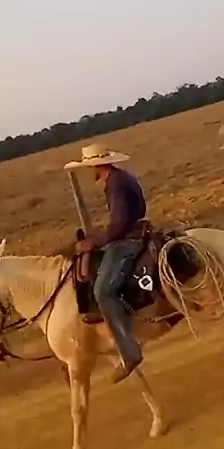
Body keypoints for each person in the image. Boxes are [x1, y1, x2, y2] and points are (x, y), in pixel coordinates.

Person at [69, 141, 147, 383]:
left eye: (89, 167)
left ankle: (129, 353)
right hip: (134, 233)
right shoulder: (121, 178)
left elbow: (120, 224)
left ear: (97, 166)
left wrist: (95, 241)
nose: (89, 171)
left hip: (128, 240)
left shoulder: (115, 184)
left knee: (103, 291)